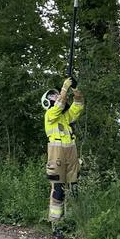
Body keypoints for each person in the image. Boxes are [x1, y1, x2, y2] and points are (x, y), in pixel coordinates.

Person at [42, 77, 84, 228]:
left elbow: (78, 105)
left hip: (71, 155)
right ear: (47, 102)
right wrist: (64, 88)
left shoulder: (67, 117)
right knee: (58, 191)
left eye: (57, 94)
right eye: (52, 96)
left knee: (73, 190)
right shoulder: (49, 116)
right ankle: (56, 225)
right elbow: (59, 105)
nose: (57, 97)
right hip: (56, 157)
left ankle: (72, 224)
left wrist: (75, 89)